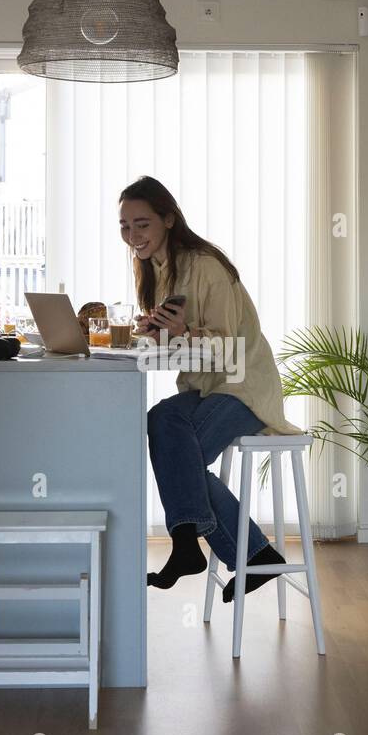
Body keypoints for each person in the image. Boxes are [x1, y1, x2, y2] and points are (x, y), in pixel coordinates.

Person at [120, 175, 303, 602]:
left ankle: (191, 547)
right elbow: (184, 348)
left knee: (177, 453)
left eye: (142, 224)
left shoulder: (206, 266)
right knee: (161, 420)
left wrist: (183, 330)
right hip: (204, 389)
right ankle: (250, 556)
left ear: (168, 219)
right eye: (125, 226)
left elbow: (228, 349)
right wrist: (155, 332)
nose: (133, 235)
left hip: (243, 386)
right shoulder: (156, 271)